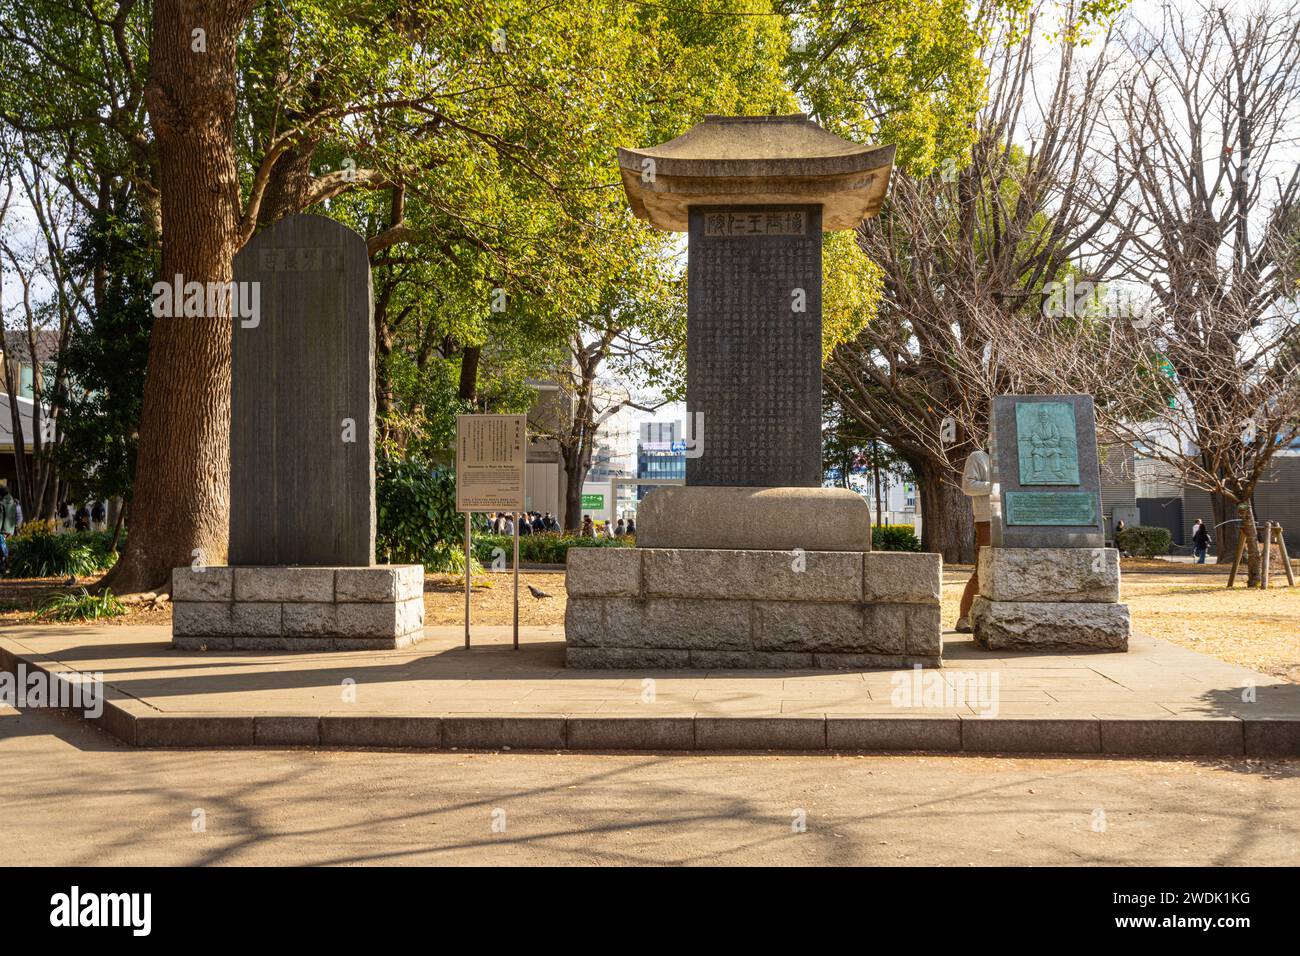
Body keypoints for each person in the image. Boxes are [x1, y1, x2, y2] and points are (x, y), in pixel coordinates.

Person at [956, 449, 993, 634]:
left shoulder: (1013, 458)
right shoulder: (977, 457)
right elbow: (968, 486)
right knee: (981, 569)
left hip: (1014, 518)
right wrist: (995, 486)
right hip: (987, 519)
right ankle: (964, 617)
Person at [0, 485, 17, 572]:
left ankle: (4, 566)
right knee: (5, 547)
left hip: (2, 530)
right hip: (10, 529)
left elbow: (0, 518)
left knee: (2, 548)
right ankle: (6, 567)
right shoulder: (13, 502)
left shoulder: (1, 503)